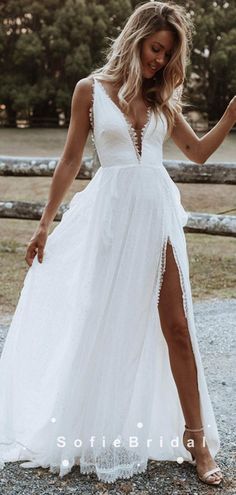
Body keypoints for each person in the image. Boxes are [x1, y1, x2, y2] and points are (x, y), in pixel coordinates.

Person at [0, 0, 235, 487]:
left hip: (157, 214)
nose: (159, 61)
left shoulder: (161, 101)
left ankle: (198, 443)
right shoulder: (90, 90)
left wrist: (232, 112)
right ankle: (81, 426)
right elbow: (68, 162)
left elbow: (196, 153)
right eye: (155, 49)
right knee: (99, 321)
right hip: (110, 217)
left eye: (167, 55)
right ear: (137, 37)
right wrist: (44, 223)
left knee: (177, 327)